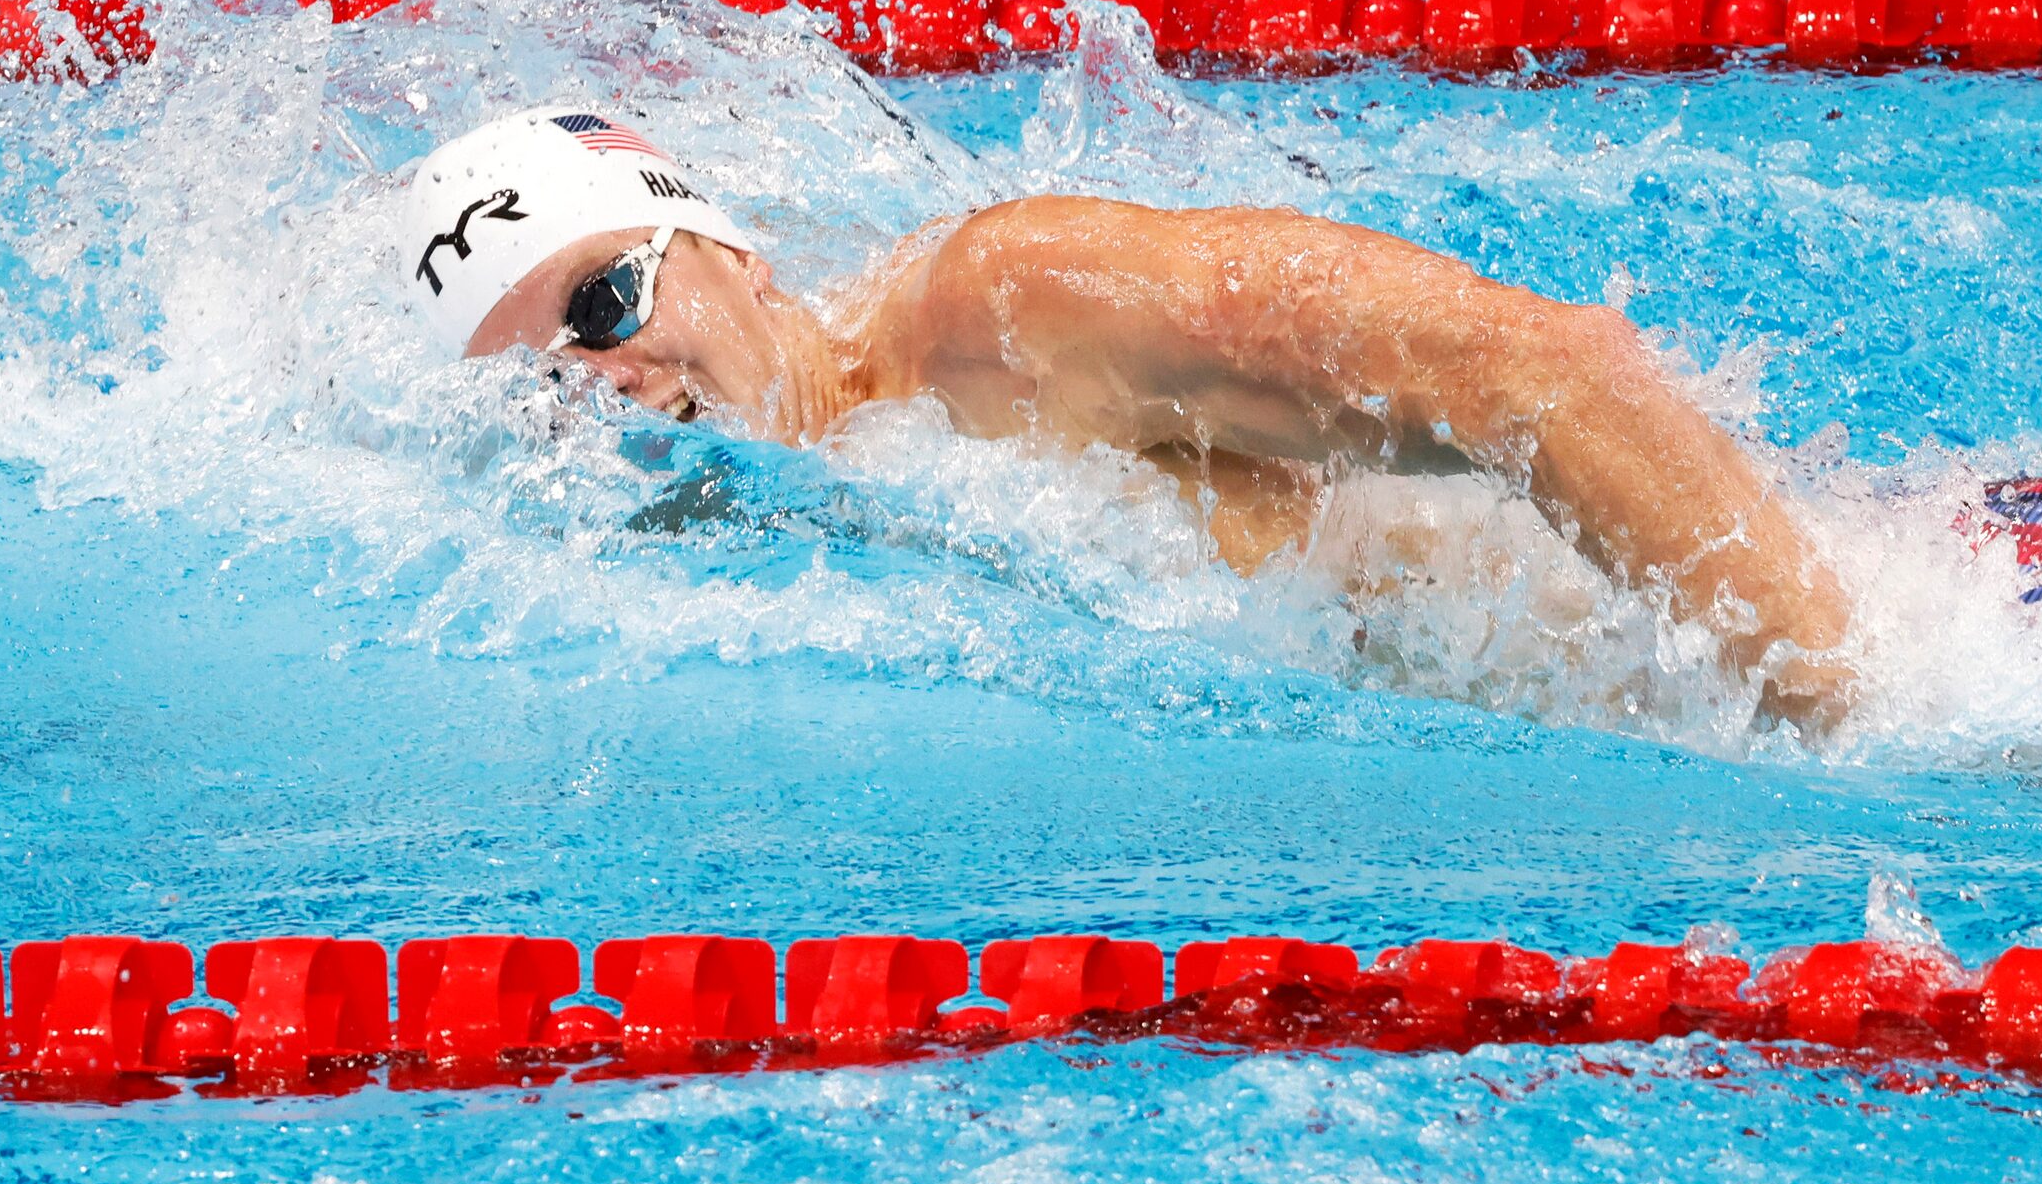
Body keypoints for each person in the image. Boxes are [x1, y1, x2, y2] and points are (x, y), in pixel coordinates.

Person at [411, 106, 1865, 733]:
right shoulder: (757, 546)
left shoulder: (1004, 310)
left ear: (724, 245)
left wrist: (1840, 711)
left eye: (600, 302)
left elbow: (1543, 374)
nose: (591, 379)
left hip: (1809, 658)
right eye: (538, 378)